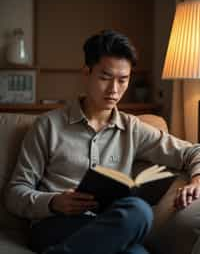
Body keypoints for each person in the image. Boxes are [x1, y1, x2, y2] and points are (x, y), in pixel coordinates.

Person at [5, 29, 200, 254]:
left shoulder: (133, 128)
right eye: (105, 78)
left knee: (138, 247)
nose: (114, 90)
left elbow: (193, 151)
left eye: (123, 80)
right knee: (140, 213)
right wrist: (54, 202)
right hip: (55, 225)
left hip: (109, 226)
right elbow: (15, 193)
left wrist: (196, 181)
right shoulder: (47, 126)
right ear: (86, 73)